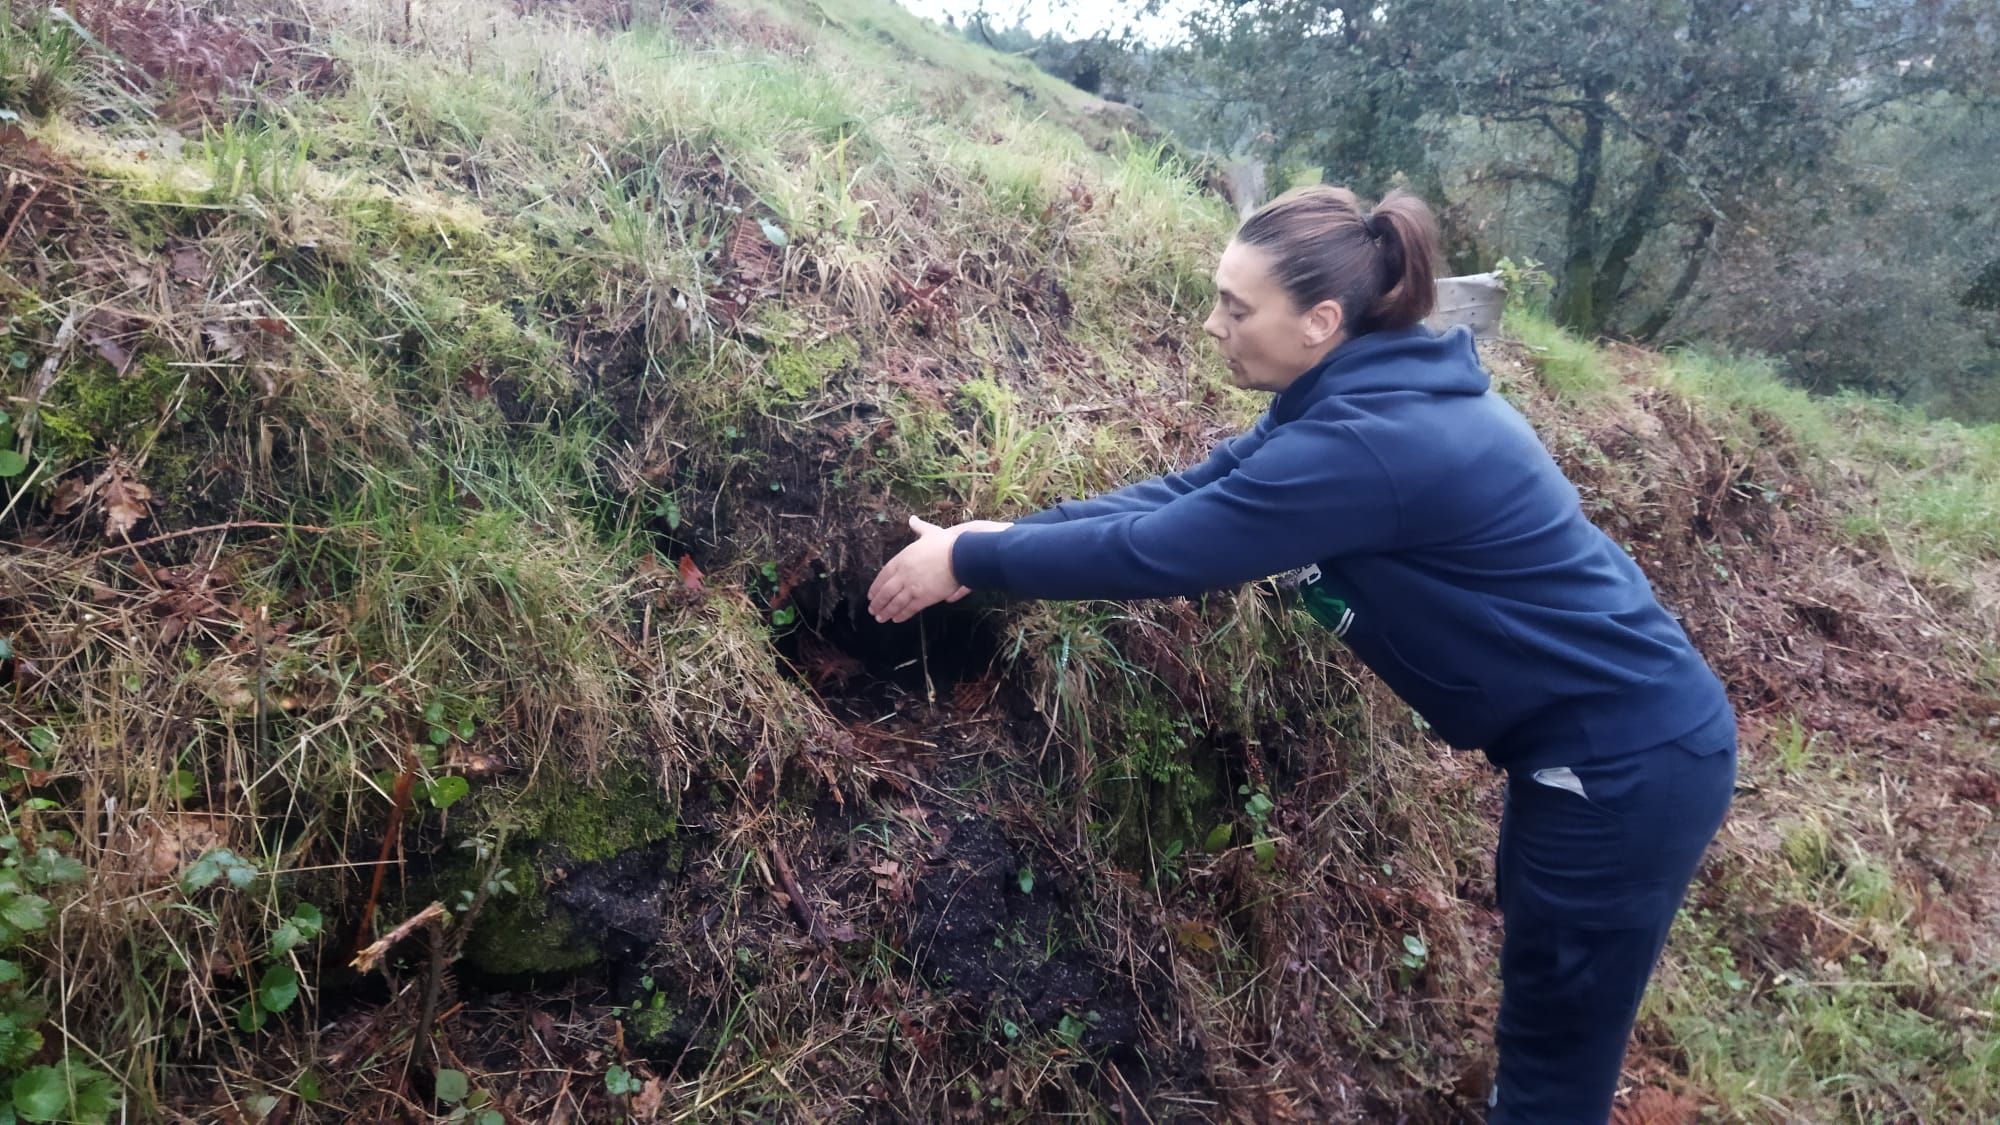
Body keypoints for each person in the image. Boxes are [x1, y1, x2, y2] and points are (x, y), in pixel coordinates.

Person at [865, 184, 1738, 1123]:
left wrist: (973, 556)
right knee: (1547, 1029)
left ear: (1322, 319)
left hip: (1621, 764)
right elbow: (1186, 494)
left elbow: (1163, 553)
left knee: (1553, 1066)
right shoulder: (1348, 397)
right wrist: (993, 539)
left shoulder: (1370, 443)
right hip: (1603, 748)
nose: (1212, 325)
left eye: (1237, 308)